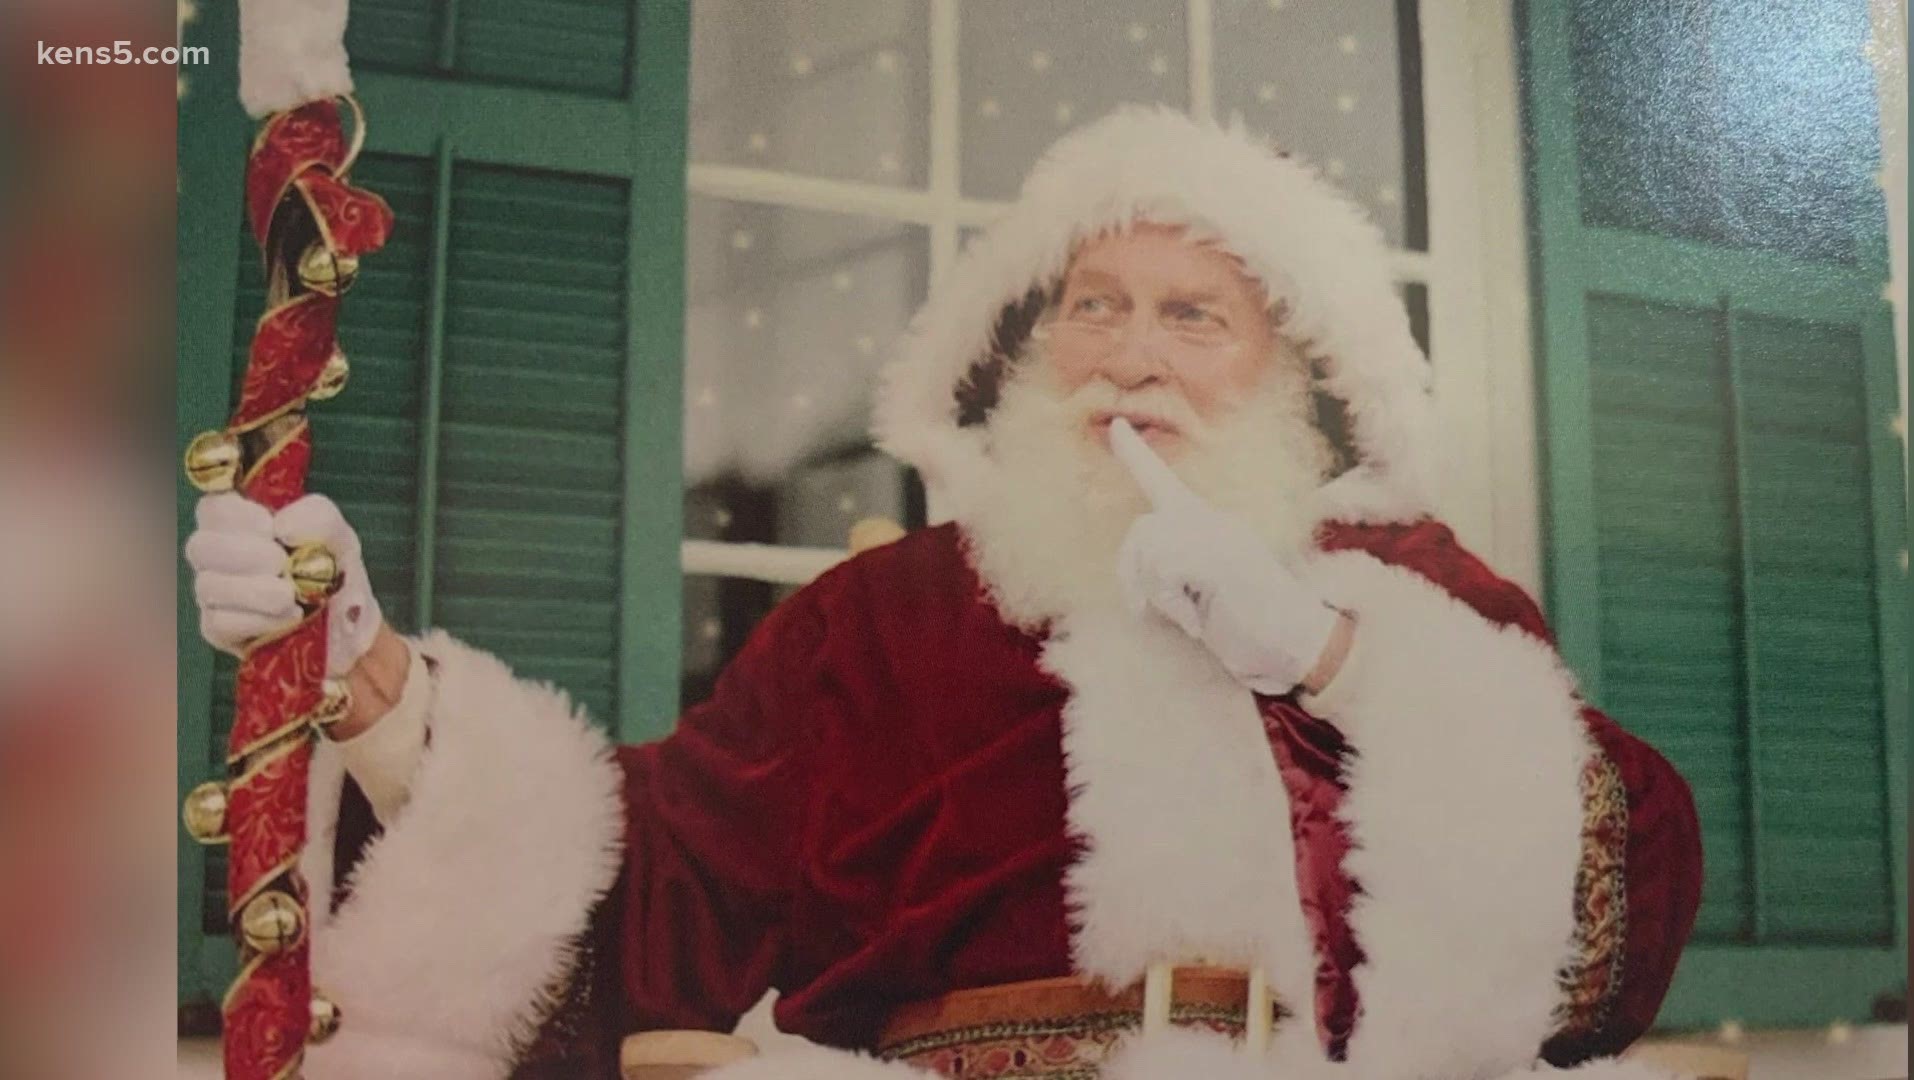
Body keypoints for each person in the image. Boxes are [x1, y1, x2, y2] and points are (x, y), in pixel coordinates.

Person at [186, 108, 1701, 1080]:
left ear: (1298, 376)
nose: (1129, 353)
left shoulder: (1410, 591)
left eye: (1196, 316)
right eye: (1090, 310)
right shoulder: (886, 620)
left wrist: (1331, 662)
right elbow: (649, 890)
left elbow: (1605, 944)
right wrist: (376, 687)